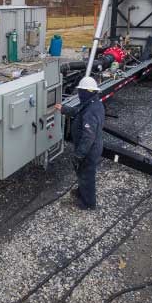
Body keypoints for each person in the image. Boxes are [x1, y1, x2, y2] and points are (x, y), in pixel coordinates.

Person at [55, 76, 105, 210]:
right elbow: (78, 112)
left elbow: (88, 136)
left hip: (89, 150)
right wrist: (63, 109)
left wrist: (79, 154)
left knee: (86, 174)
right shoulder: (93, 103)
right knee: (83, 173)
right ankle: (82, 191)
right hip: (93, 147)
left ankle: (88, 203)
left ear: (86, 91)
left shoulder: (90, 110)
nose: (79, 94)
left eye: (80, 91)